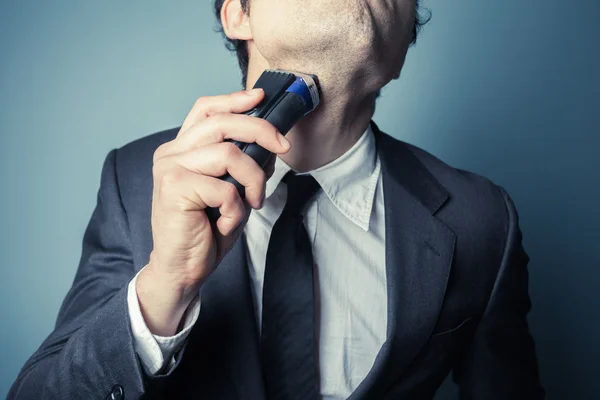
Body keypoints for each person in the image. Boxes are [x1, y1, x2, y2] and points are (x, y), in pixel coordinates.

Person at [8, 0, 545, 399]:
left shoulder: (482, 220)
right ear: (237, 15)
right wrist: (163, 289)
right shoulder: (135, 182)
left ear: (401, 49)